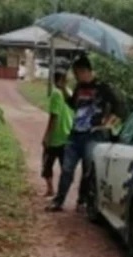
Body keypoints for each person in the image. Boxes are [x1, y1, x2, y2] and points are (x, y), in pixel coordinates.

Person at [46, 54, 119, 212]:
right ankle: (59, 201)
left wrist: (106, 124)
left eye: (77, 73)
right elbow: (73, 105)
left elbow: (119, 108)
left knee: (88, 170)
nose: (77, 77)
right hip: (75, 135)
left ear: (86, 71)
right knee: (66, 169)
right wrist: (63, 88)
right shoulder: (79, 87)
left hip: (93, 136)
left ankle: (82, 201)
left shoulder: (103, 88)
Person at [41, 67, 74, 197]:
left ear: (57, 80)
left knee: (47, 164)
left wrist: (47, 136)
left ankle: (50, 189)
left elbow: (53, 116)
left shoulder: (56, 93)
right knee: (65, 167)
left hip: (56, 137)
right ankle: (62, 193)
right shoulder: (70, 93)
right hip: (68, 135)